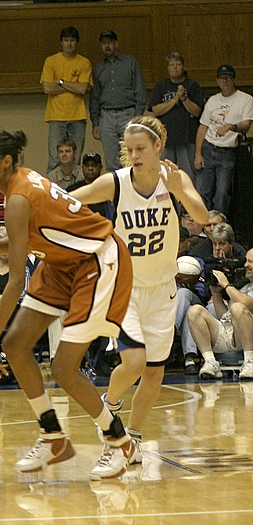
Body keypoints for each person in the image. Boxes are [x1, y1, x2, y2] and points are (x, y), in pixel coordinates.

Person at [0, 129, 134, 480]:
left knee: (63, 368)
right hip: (61, 262)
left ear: (7, 162)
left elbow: (15, 279)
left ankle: (119, 439)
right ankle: (53, 436)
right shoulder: (26, 182)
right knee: (16, 344)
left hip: (97, 258)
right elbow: (25, 242)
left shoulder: (18, 199)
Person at [70, 115, 208, 465]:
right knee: (133, 362)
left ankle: (131, 435)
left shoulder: (173, 179)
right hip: (125, 288)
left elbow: (203, 217)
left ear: (158, 146)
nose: (134, 155)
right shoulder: (115, 183)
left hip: (163, 289)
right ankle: (110, 407)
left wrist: (179, 190)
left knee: (154, 372)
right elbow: (70, 200)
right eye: (129, 150)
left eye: (141, 149)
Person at [194, 65, 253, 215]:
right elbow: (203, 127)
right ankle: (202, 228)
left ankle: (220, 227)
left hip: (227, 152)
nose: (225, 81)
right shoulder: (213, 100)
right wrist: (198, 153)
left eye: (228, 78)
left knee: (222, 193)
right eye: (222, 78)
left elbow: (246, 124)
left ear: (233, 80)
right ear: (217, 81)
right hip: (208, 148)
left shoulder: (245, 99)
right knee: (203, 191)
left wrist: (231, 127)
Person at [187, 248, 253, 380]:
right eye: (246, 260)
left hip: (248, 336)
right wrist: (216, 292)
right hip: (230, 333)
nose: (245, 265)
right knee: (195, 311)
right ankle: (211, 361)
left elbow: (246, 303)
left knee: (238, 307)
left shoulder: (238, 291)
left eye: (251, 262)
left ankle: (250, 362)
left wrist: (226, 285)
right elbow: (224, 315)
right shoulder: (245, 286)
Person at [89, 31, 146, 172]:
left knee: (132, 157)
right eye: (104, 43)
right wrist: (95, 123)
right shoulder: (98, 68)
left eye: (109, 42)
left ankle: (133, 191)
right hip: (106, 117)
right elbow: (95, 97)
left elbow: (140, 91)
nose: (107, 46)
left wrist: (138, 117)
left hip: (128, 113)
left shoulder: (131, 63)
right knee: (111, 162)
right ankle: (116, 192)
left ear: (116, 44)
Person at [40, 26, 92, 172]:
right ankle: (51, 193)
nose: (69, 44)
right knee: (55, 159)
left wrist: (61, 82)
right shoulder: (51, 61)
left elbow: (82, 89)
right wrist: (73, 86)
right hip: (56, 117)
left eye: (72, 40)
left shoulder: (84, 62)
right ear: (61, 42)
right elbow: (47, 88)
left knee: (75, 158)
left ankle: (76, 191)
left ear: (76, 42)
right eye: (66, 40)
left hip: (78, 116)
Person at [149, 52, 205, 182]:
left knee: (187, 176)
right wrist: (174, 101)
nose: (175, 67)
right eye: (171, 65)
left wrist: (184, 98)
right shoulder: (160, 86)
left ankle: (185, 202)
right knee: (164, 175)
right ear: (167, 68)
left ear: (183, 67)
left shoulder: (193, 85)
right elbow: (156, 111)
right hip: (165, 139)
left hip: (187, 138)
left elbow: (197, 112)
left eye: (178, 64)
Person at [67, 152, 114, 220]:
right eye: (87, 165)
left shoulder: (108, 188)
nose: (90, 168)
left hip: (105, 227)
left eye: (94, 165)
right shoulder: (73, 190)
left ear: (100, 167)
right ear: (82, 168)